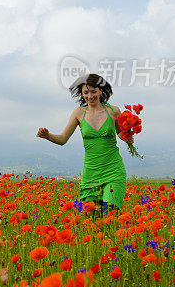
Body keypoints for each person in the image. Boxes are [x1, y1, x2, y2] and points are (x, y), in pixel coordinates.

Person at [36, 73, 132, 219]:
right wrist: (47, 136)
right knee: (91, 222)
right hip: (90, 173)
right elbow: (63, 139)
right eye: (86, 92)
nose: (90, 96)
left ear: (101, 91)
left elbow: (121, 133)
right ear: (81, 93)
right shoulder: (78, 113)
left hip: (113, 171)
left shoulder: (113, 111)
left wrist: (129, 134)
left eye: (93, 91)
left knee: (109, 218)